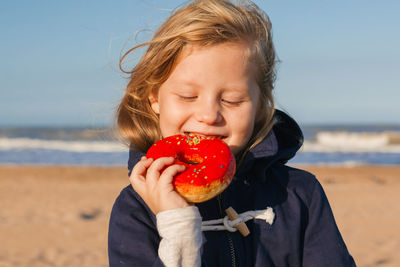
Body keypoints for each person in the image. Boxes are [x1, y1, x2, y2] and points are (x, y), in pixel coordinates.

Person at [108, 0, 356, 266]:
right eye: (188, 96)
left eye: (232, 100)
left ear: (261, 104)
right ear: (154, 97)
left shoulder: (300, 194)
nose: (208, 115)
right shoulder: (136, 208)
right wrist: (177, 228)